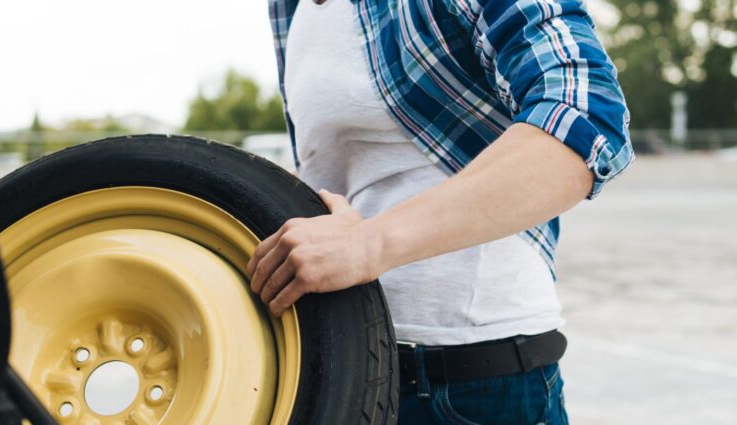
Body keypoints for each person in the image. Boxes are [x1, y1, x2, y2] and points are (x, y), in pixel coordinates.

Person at [247, 0, 634, 423]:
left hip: (474, 385)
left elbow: (586, 117)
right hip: (347, 374)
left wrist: (370, 243)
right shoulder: (290, 11)